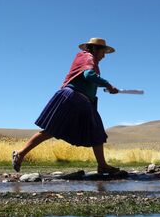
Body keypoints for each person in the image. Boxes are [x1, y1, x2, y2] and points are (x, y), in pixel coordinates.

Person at [12, 37, 123, 175]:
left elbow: (88, 81)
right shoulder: (88, 57)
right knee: (52, 129)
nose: (104, 56)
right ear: (95, 49)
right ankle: (20, 154)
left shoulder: (86, 58)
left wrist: (105, 88)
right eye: (103, 52)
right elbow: (89, 75)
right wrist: (107, 84)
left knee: (96, 132)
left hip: (82, 101)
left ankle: (102, 166)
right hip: (73, 98)